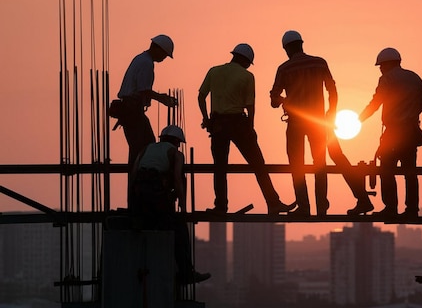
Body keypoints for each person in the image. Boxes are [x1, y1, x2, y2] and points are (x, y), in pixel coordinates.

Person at [198, 43, 294, 215]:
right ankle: (273, 203)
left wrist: (206, 119)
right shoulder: (247, 76)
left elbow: (201, 96)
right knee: (258, 164)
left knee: (220, 168)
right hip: (238, 124)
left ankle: (220, 207)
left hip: (218, 124)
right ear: (246, 61)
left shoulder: (214, 71)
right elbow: (250, 106)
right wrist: (251, 128)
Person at [130, 125, 211, 285]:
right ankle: (186, 273)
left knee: (146, 228)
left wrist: (135, 205)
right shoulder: (175, 153)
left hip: (139, 197)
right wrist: (182, 204)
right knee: (179, 231)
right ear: (176, 141)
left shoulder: (146, 149)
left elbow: (133, 175)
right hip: (155, 196)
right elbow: (178, 179)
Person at [270, 30, 338, 216]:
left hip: (296, 124)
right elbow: (332, 89)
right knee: (320, 163)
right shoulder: (319, 62)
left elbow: (274, 100)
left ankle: (304, 207)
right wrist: (331, 112)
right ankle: (322, 207)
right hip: (318, 122)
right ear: (301, 44)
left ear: (287, 49)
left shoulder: (284, 69)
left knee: (297, 165)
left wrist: (285, 101)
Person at [359, 48, 422, 219]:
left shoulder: (387, 79)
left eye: (381, 66)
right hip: (411, 132)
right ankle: (412, 209)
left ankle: (391, 207)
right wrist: (414, 112)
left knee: (386, 169)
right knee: (410, 172)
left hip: (394, 133)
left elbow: (376, 102)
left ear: (386, 64)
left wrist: (359, 119)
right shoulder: (414, 77)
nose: (380, 70)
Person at [117, 34, 179, 208]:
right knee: (144, 154)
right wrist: (163, 99)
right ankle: (139, 200)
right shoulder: (146, 63)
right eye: (164, 55)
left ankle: (139, 198)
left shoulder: (141, 59)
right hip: (133, 111)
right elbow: (144, 90)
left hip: (132, 111)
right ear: (157, 48)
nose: (164, 59)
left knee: (144, 151)